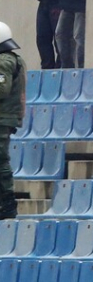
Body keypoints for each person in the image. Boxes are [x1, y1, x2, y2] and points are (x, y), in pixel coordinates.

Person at [0, 22, 25, 219]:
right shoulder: (13, 59)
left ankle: (7, 205)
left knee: (0, 160)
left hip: (2, 117)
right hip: (6, 116)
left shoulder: (4, 61)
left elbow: (2, 88)